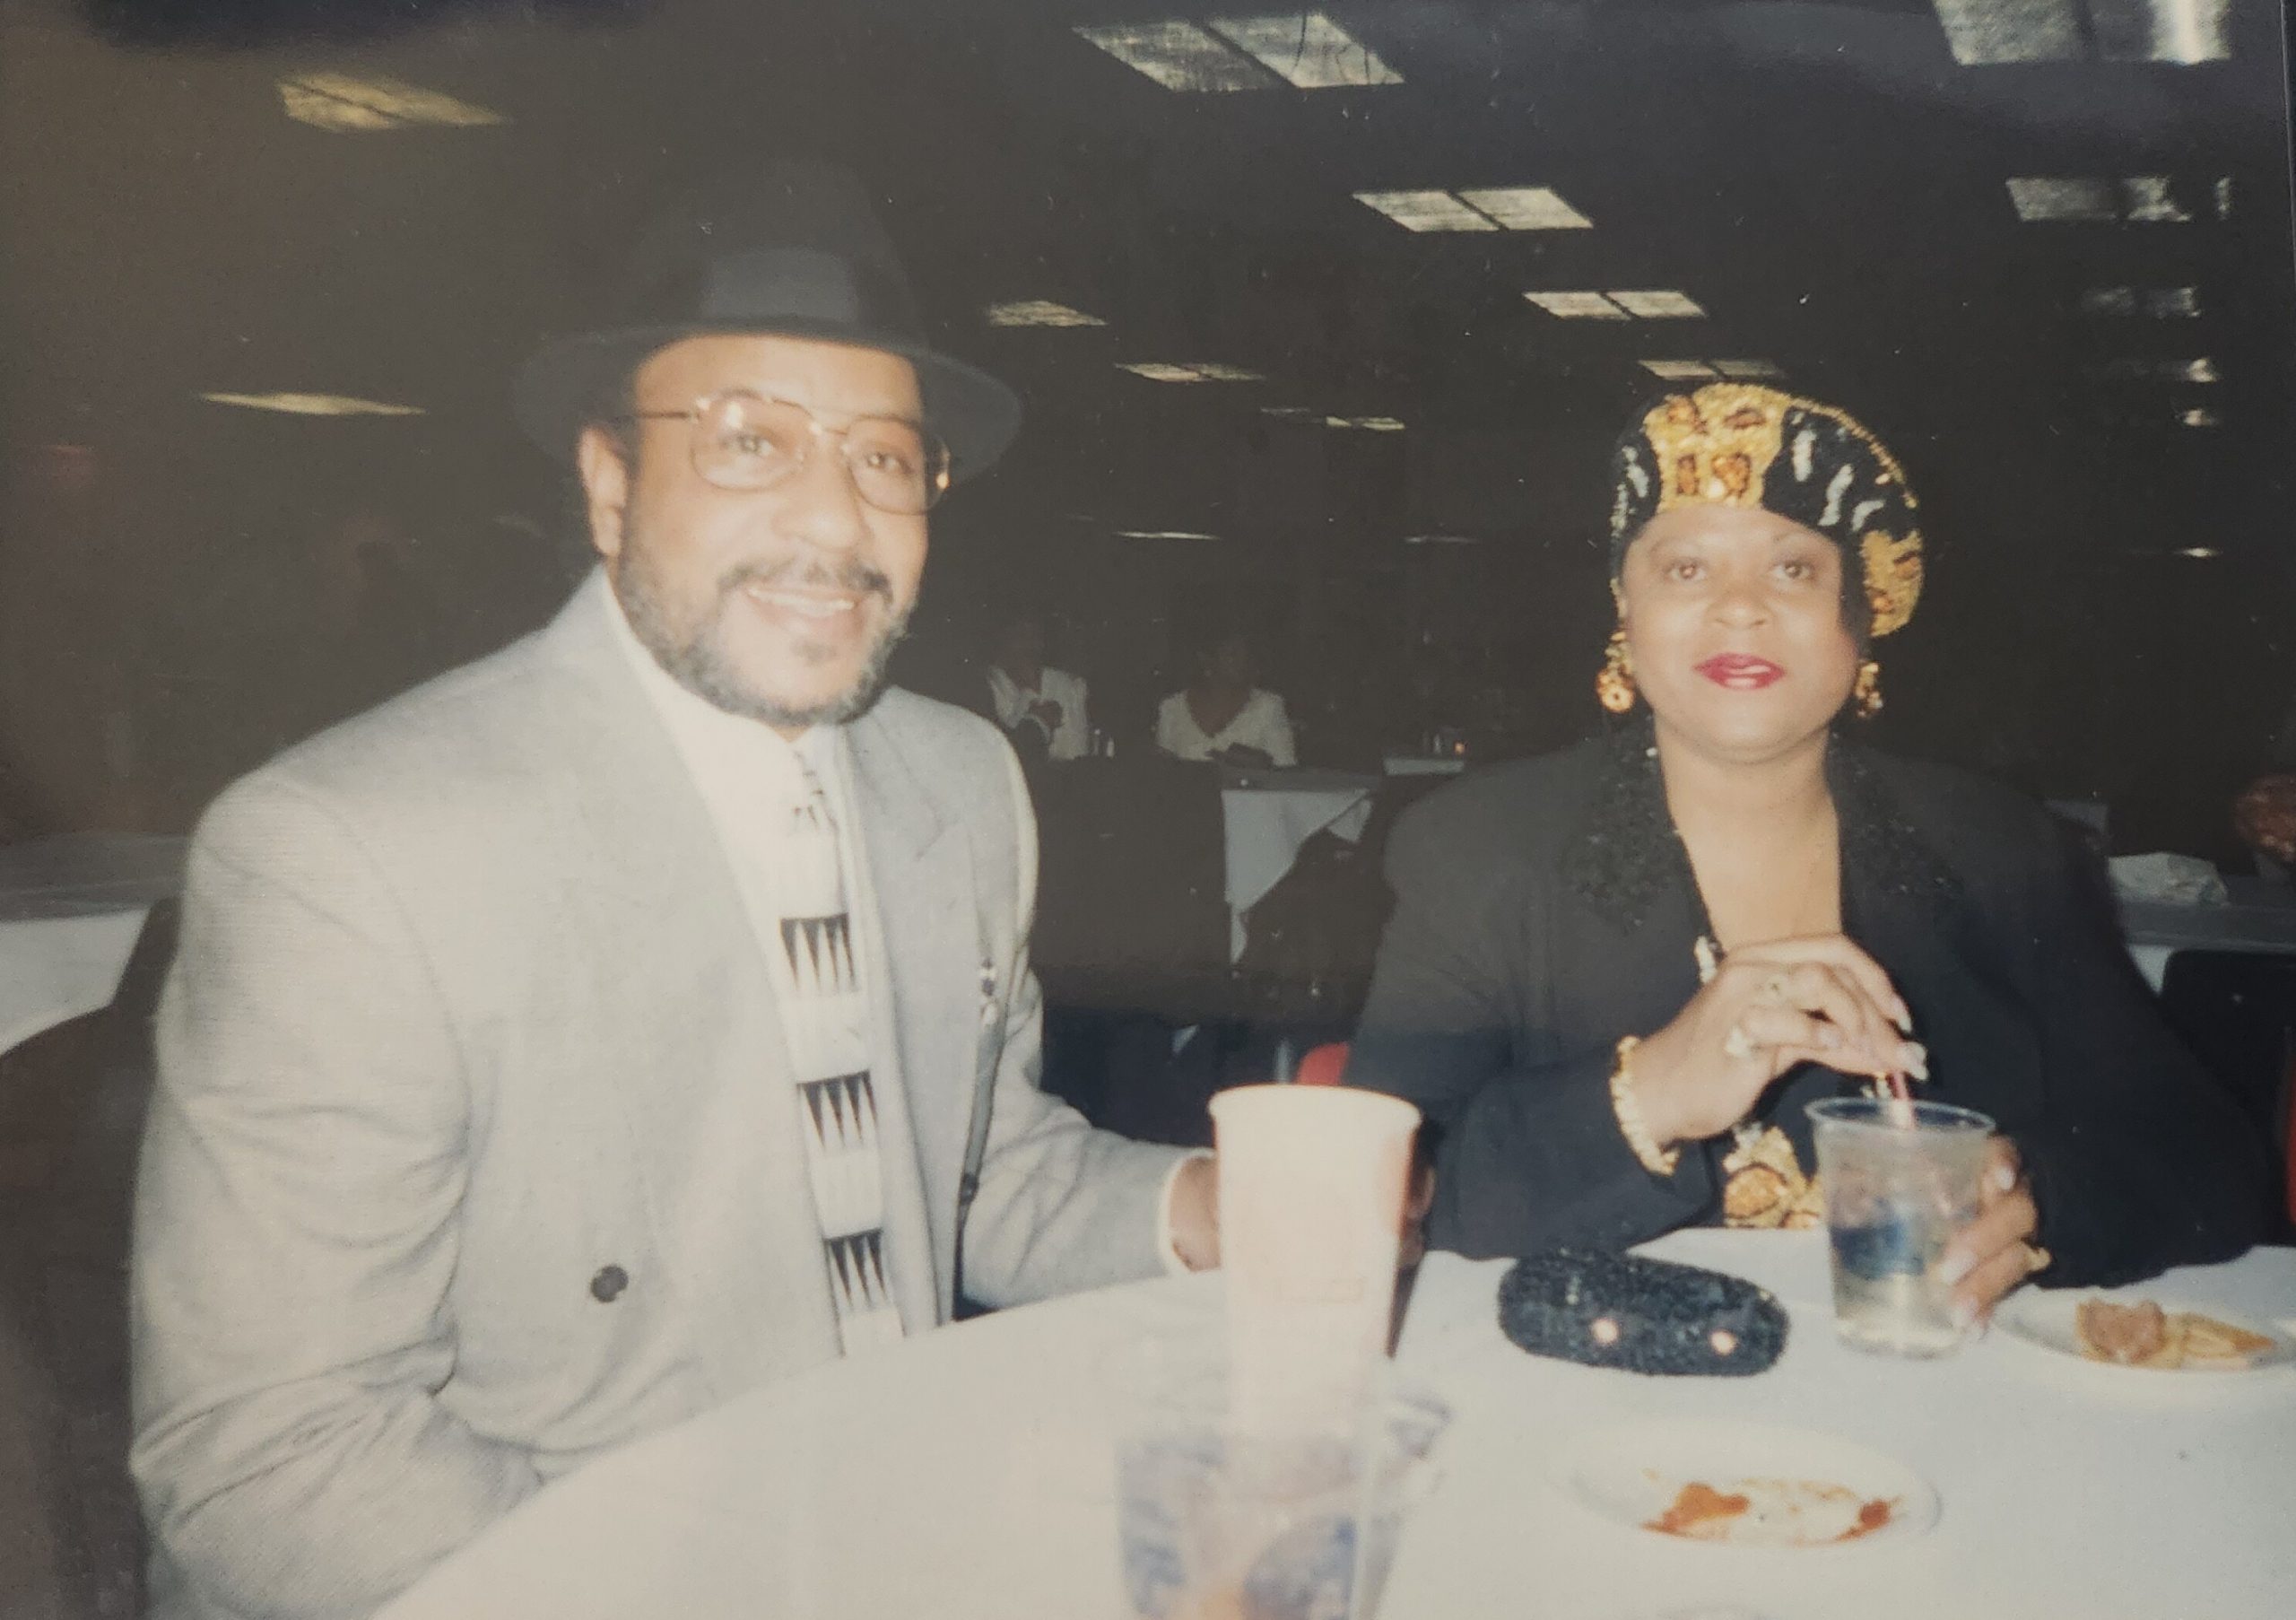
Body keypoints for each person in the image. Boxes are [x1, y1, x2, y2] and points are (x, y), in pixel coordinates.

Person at [127, 165, 1222, 1620]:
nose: (834, 521)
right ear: (608, 484)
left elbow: (974, 1174)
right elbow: (271, 1460)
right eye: (750, 441)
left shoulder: (961, 784)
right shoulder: (354, 852)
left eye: (886, 458)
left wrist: (1207, 1208)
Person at [1346, 383, 2272, 1320]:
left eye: (1792, 569)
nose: (1739, 608)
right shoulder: (1481, 848)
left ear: (1862, 618)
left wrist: (2040, 1194)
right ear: (1624, 611)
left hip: (1935, 1378)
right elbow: (1379, 1191)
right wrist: (1646, 1094)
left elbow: (2207, 1156)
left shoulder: (1999, 847)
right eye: (1685, 569)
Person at [1155, 624, 1296, 767]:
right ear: (1207, 660)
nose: (1242, 662)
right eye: (1232, 655)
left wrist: (1258, 766)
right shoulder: (1172, 708)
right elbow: (1162, 772)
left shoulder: (1268, 706)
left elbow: (1287, 771)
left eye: (1246, 655)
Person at [984, 608, 1090, 762]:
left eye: (1036, 636)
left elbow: (1077, 753)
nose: (1030, 645)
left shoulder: (1067, 685)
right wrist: (1029, 691)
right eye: (1021, 636)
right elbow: (1007, 753)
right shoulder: (987, 688)